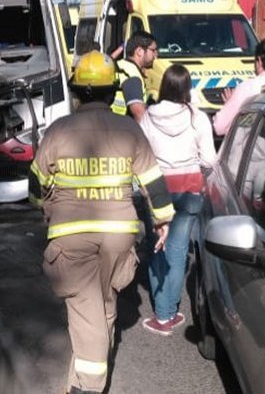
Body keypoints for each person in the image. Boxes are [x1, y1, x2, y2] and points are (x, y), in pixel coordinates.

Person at [29, 50, 174, 394]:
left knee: (86, 311)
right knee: (103, 306)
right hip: (119, 235)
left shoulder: (59, 130)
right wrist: (164, 220)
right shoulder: (130, 129)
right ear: (113, 93)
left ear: (76, 92)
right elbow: (153, 181)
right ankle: (81, 380)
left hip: (70, 238)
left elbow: (35, 187)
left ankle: (88, 387)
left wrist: (45, 207)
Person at [138, 64, 216, 336]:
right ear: (187, 89)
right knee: (178, 249)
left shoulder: (148, 117)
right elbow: (209, 160)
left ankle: (162, 316)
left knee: (157, 247)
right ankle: (171, 311)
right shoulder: (198, 119)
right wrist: (199, 172)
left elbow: (141, 156)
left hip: (156, 188)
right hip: (189, 188)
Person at [112, 31, 158, 121]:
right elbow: (138, 113)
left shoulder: (121, 65)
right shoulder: (132, 75)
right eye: (153, 50)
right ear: (139, 51)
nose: (155, 55)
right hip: (124, 129)